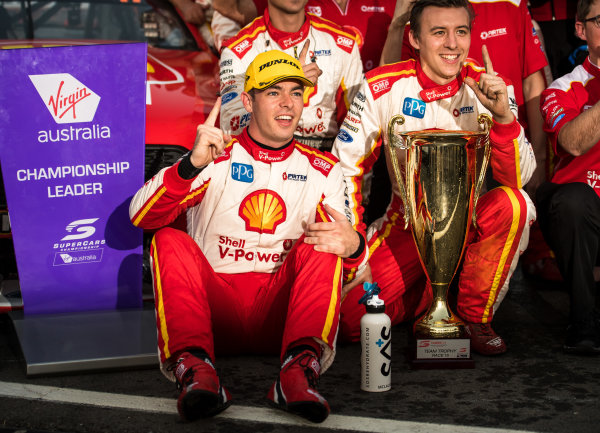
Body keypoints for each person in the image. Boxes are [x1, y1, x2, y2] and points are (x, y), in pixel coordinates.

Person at [129, 50, 367, 422]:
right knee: (168, 240)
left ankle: (298, 372)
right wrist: (189, 166)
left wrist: (354, 246)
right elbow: (141, 216)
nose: (287, 103)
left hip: (283, 319)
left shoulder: (325, 170)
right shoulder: (213, 157)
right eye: (273, 93)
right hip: (211, 315)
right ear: (247, 100)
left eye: (296, 92)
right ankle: (196, 371)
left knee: (326, 241)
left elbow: (352, 263)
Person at [332, 0, 537, 355]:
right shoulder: (382, 86)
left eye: (461, 32)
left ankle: (473, 317)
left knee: (516, 204)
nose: (452, 44)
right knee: (350, 321)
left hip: (469, 222)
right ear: (414, 38)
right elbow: (345, 169)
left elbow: (519, 178)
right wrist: (354, 244)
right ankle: (434, 302)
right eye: (439, 32)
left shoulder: (491, 86)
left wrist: (504, 119)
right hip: (407, 228)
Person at [537, 0, 600, 355]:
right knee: (572, 201)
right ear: (580, 29)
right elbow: (572, 144)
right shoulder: (563, 87)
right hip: (580, 214)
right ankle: (583, 320)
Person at [218, 0, 363, 152]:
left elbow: (357, 130)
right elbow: (231, 125)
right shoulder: (237, 49)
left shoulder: (343, 45)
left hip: (326, 160)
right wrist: (287, 79)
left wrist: (342, 175)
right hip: (262, 160)